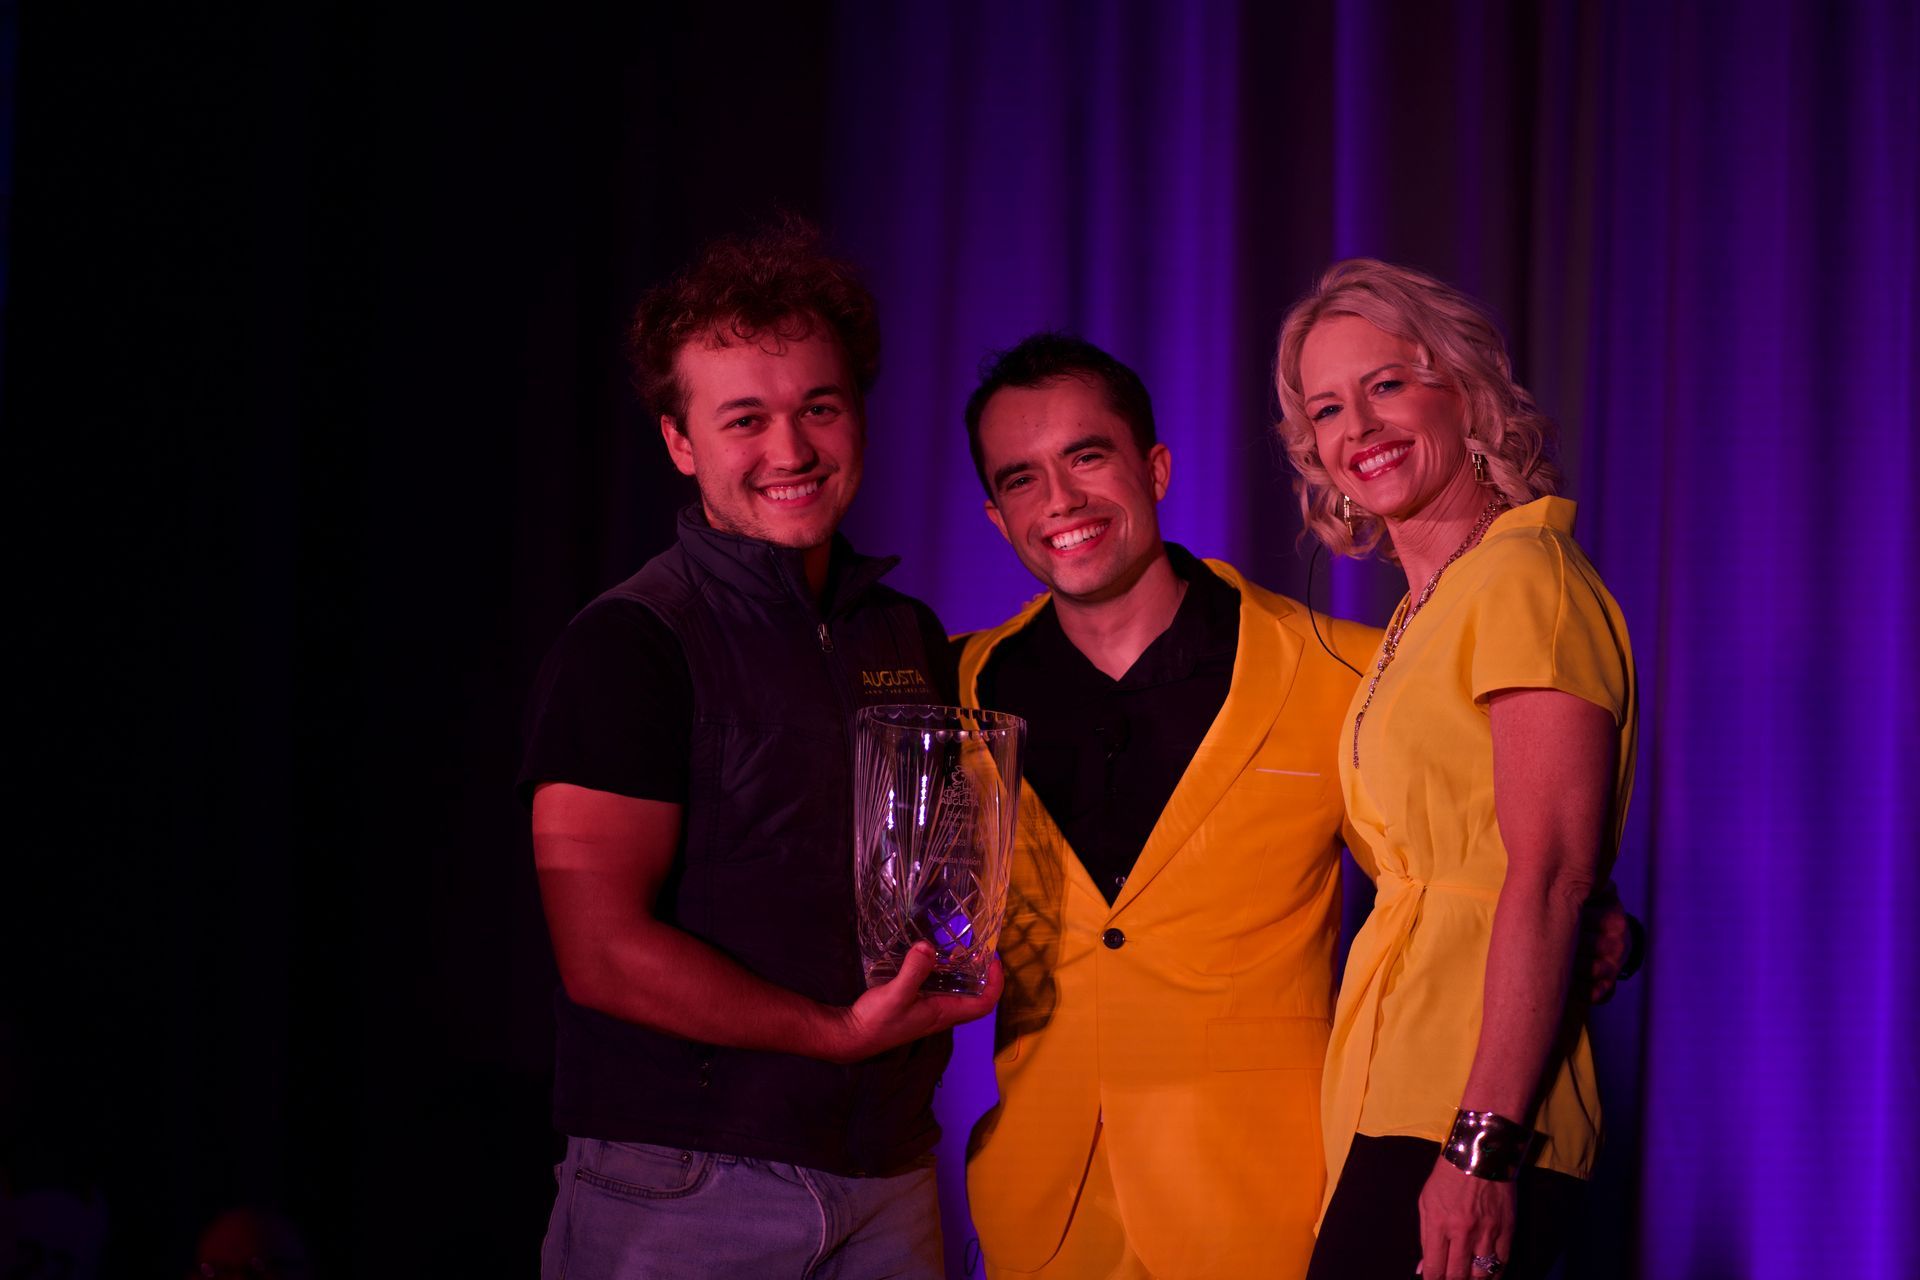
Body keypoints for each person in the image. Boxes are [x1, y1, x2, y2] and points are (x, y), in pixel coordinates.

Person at [518, 222, 1000, 1280]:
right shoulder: (629, 643)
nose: (790, 451)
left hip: (891, 1177)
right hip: (683, 1189)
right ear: (680, 442)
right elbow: (597, 948)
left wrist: (965, 942)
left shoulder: (901, 632)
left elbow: (926, 872)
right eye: (745, 419)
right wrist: (832, 1030)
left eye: (818, 408)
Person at [1273, 260, 1638, 1280]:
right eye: (1328, 407)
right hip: (1391, 1090)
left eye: (1388, 384)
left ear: (1465, 391)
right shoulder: (1424, 611)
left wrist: (1481, 1147)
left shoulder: (1526, 579)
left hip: (1471, 1111)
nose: (1361, 426)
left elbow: (1553, 876)